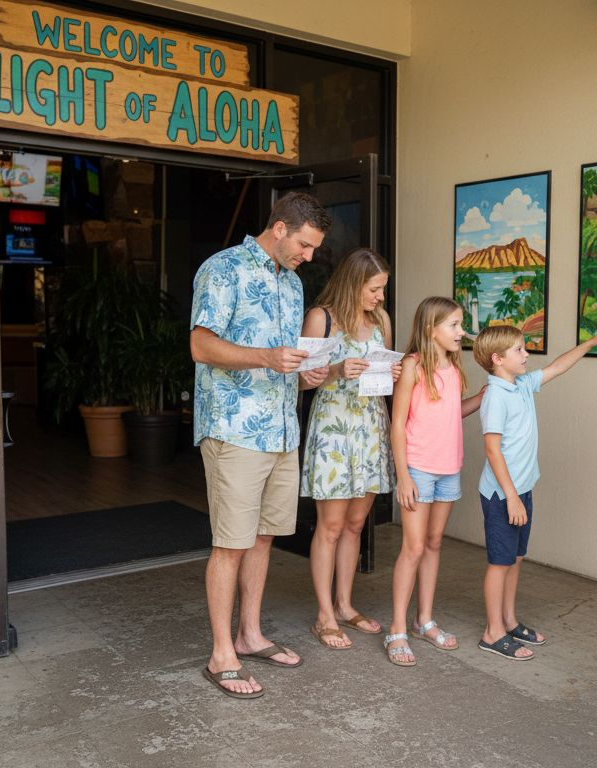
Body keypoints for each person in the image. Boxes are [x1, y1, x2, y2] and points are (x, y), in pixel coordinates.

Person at [190, 191, 332, 699]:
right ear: (279, 229)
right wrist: (266, 358)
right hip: (234, 428)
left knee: (265, 536)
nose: (309, 257)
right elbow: (200, 344)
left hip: (281, 430)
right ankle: (220, 653)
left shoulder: (292, 284)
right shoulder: (222, 269)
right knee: (230, 542)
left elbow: (283, 360)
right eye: (305, 245)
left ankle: (249, 635)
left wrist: (308, 373)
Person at [472, 324, 597, 660]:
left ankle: (508, 620)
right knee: (499, 562)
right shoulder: (495, 396)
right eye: (519, 350)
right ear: (498, 359)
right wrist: (510, 496)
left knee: (515, 558)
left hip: (521, 490)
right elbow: (492, 450)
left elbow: (558, 366)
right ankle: (492, 633)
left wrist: (591, 342)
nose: (527, 355)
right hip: (502, 496)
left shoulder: (520, 384)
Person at [301, 248, 402, 650]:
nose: (380, 298)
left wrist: (393, 373)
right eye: (375, 289)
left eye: (382, 290)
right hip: (334, 432)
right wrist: (338, 371)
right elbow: (299, 382)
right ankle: (324, 614)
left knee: (357, 525)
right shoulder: (321, 318)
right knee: (329, 526)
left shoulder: (381, 320)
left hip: (371, 429)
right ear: (354, 282)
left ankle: (344, 604)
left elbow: (388, 382)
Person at [384, 297, 486, 666]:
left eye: (461, 325)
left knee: (433, 544)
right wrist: (404, 475)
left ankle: (423, 620)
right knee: (412, 548)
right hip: (419, 470)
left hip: (449, 468)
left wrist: (481, 398)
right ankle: (396, 628)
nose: (462, 332)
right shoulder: (411, 366)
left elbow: (451, 413)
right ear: (431, 330)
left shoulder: (454, 366)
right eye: (455, 326)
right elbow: (397, 424)